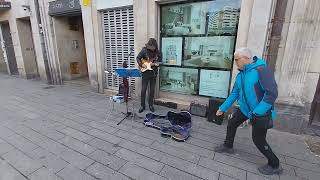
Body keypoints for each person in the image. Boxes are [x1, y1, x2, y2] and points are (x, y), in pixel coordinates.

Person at [214, 47, 283, 175]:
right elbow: (234, 93)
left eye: (237, 60)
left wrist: (258, 112)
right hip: (245, 110)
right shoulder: (241, 75)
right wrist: (222, 108)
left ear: (246, 58)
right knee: (232, 123)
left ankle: (275, 164)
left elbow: (272, 94)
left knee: (258, 140)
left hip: (261, 113)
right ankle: (228, 146)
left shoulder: (262, 70)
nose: (235, 63)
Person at [136, 38, 162, 113]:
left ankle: (151, 105)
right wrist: (141, 64)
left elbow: (159, 62)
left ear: (155, 46)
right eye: (150, 47)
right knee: (143, 90)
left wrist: (157, 64)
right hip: (145, 73)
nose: (152, 49)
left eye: (153, 47)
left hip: (153, 73)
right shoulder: (144, 50)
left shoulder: (158, 53)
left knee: (152, 90)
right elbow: (138, 58)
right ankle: (142, 105)